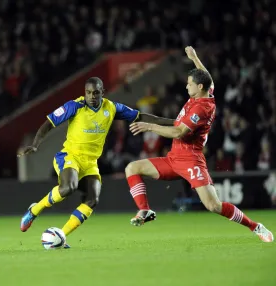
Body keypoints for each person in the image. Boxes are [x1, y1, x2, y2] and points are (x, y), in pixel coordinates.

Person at [125, 47, 274, 243]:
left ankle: (256, 226)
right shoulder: (203, 94)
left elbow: (179, 131)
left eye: (190, 84)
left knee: (214, 206)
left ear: (200, 87)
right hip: (174, 158)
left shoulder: (202, 108)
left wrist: (150, 126)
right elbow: (208, 79)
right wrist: (195, 58)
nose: (187, 87)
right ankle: (144, 210)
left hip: (191, 160)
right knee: (132, 168)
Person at [18, 77, 175, 247]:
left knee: (92, 200)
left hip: (90, 162)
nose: (91, 96)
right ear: (84, 93)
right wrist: (35, 145)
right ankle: (34, 211)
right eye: (88, 92)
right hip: (70, 156)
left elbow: (141, 116)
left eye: (95, 92)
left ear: (102, 92)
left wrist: (176, 122)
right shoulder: (75, 106)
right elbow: (49, 123)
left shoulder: (112, 108)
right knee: (68, 188)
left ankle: (61, 236)